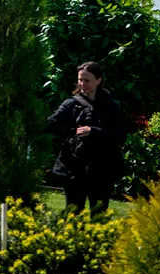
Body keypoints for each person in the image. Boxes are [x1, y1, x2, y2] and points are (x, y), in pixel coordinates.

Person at [48, 61, 125, 215]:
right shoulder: (70, 104)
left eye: (87, 80)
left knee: (99, 213)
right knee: (73, 213)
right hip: (74, 167)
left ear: (99, 80)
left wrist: (93, 131)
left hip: (102, 168)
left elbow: (120, 136)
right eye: (80, 80)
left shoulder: (112, 107)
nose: (83, 84)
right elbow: (53, 123)